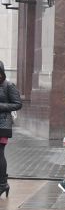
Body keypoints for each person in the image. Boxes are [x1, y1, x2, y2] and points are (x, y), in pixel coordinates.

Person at [0, 63, 20, 198]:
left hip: (2, 125)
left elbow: (18, 104)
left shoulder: (8, 85)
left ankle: (2, 184)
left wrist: (0, 106)